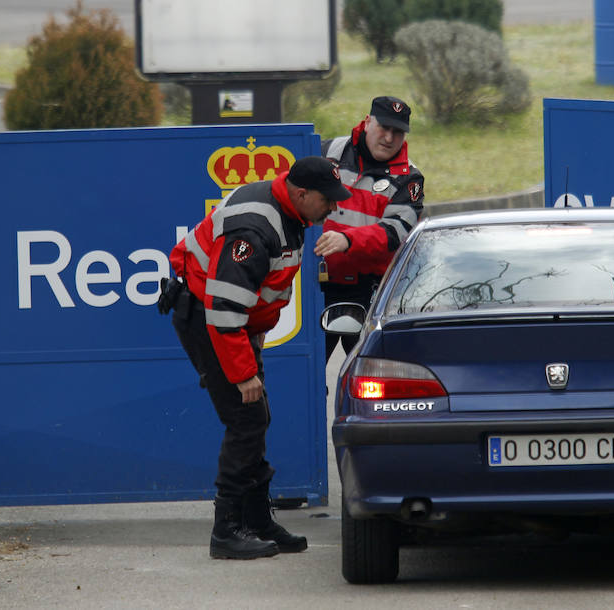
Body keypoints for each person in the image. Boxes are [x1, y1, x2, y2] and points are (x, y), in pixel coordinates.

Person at [160, 156, 351, 560]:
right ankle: (226, 532)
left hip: (234, 325)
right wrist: (244, 372)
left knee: (255, 417)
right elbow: (224, 309)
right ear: (301, 194)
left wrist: (257, 334)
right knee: (246, 420)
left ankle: (256, 520)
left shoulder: (290, 211)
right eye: (327, 200)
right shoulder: (255, 227)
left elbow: (256, 291)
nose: (333, 208)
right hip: (212, 321)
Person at [314, 96, 425, 362]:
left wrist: (347, 240)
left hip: (370, 293)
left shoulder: (410, 178)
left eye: (397, 132)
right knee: (308, 379)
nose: (389, 138)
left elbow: (395, 233)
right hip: (316, 287)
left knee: (372, 377)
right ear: (367, 123)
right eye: (383, 128)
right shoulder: (327, 152)